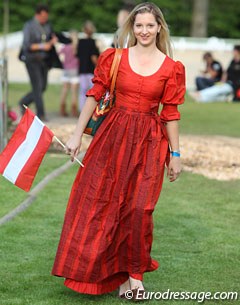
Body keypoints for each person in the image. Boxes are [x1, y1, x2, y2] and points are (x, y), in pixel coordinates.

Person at [51, 2, 186, 300]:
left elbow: (171, 114)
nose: (144, 30)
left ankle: (134, 275)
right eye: (139, 25)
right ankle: (116, 275)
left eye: (150, 25)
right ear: (131, 28)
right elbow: (94, 94)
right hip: (111, 139)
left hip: (150, 144)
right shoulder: (115, 58)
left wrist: (175, 155)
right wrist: (76, 136)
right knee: (103, 204)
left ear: (159, 27)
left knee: (139, 209)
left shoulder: (172, 68)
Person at [19, 4, 57, 120]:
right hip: (32, 60)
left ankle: (23, 101)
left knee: (43, 87)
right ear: (38, 14)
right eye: (43, 16)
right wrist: (42, 46)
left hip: (44, 60)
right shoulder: (29, 26)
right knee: (37, 86)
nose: (45, 19)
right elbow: (27, 45)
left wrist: (53, 41)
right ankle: (41, 114)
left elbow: (50, 39)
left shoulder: (47, 26)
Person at [76, 21, 100, 112]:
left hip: (82, 69)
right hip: (91, 70)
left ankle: (82, 110)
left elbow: (78, 56)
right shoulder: (93, 42)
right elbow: (94, 57)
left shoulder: (80, 42)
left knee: (82, 92)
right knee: (92, 92)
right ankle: (90, 110)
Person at [58, 30, 80, 117]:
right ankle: (74, 111)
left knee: (64, 90)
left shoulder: (66, 47)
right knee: (74, 92)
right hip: (75, 71)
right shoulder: (77, 47)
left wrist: (63, 63)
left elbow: (58, 53)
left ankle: (62, 109)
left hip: (66, 70)